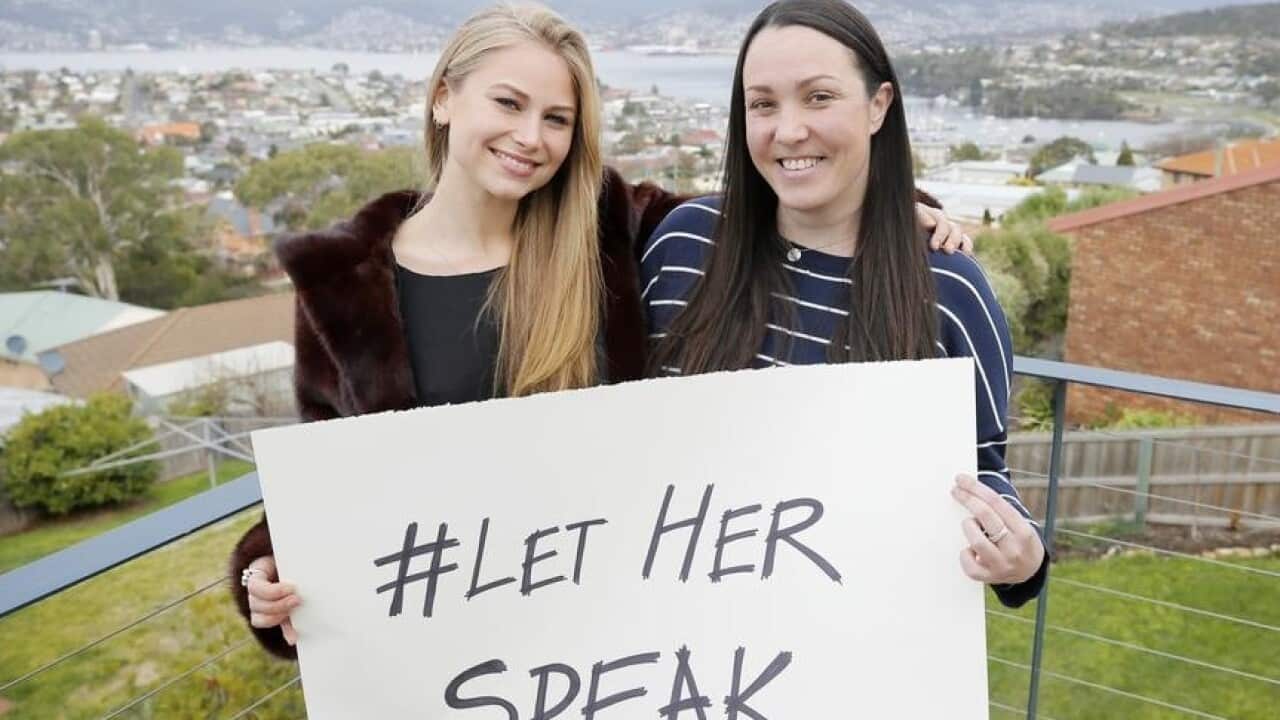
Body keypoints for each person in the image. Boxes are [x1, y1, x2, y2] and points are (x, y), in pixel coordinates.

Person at [230, 2, 971, 660]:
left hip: (619, 642)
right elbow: (324, 480)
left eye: (557, 119)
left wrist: (891, 206)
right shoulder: (342, 287)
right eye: (509, 104)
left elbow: (773, 202)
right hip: (453, 658)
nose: (530, 137)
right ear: (444, 98)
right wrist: (265, 570)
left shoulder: (610, 230)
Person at [642, 0, 1047, 605]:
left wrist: (1023, 559)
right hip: (671, 643)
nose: (789, 129)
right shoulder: (684, 243)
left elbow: (981, 473)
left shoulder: (951, 291)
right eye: (763, 104)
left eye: (819, 97)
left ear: (879, 105)